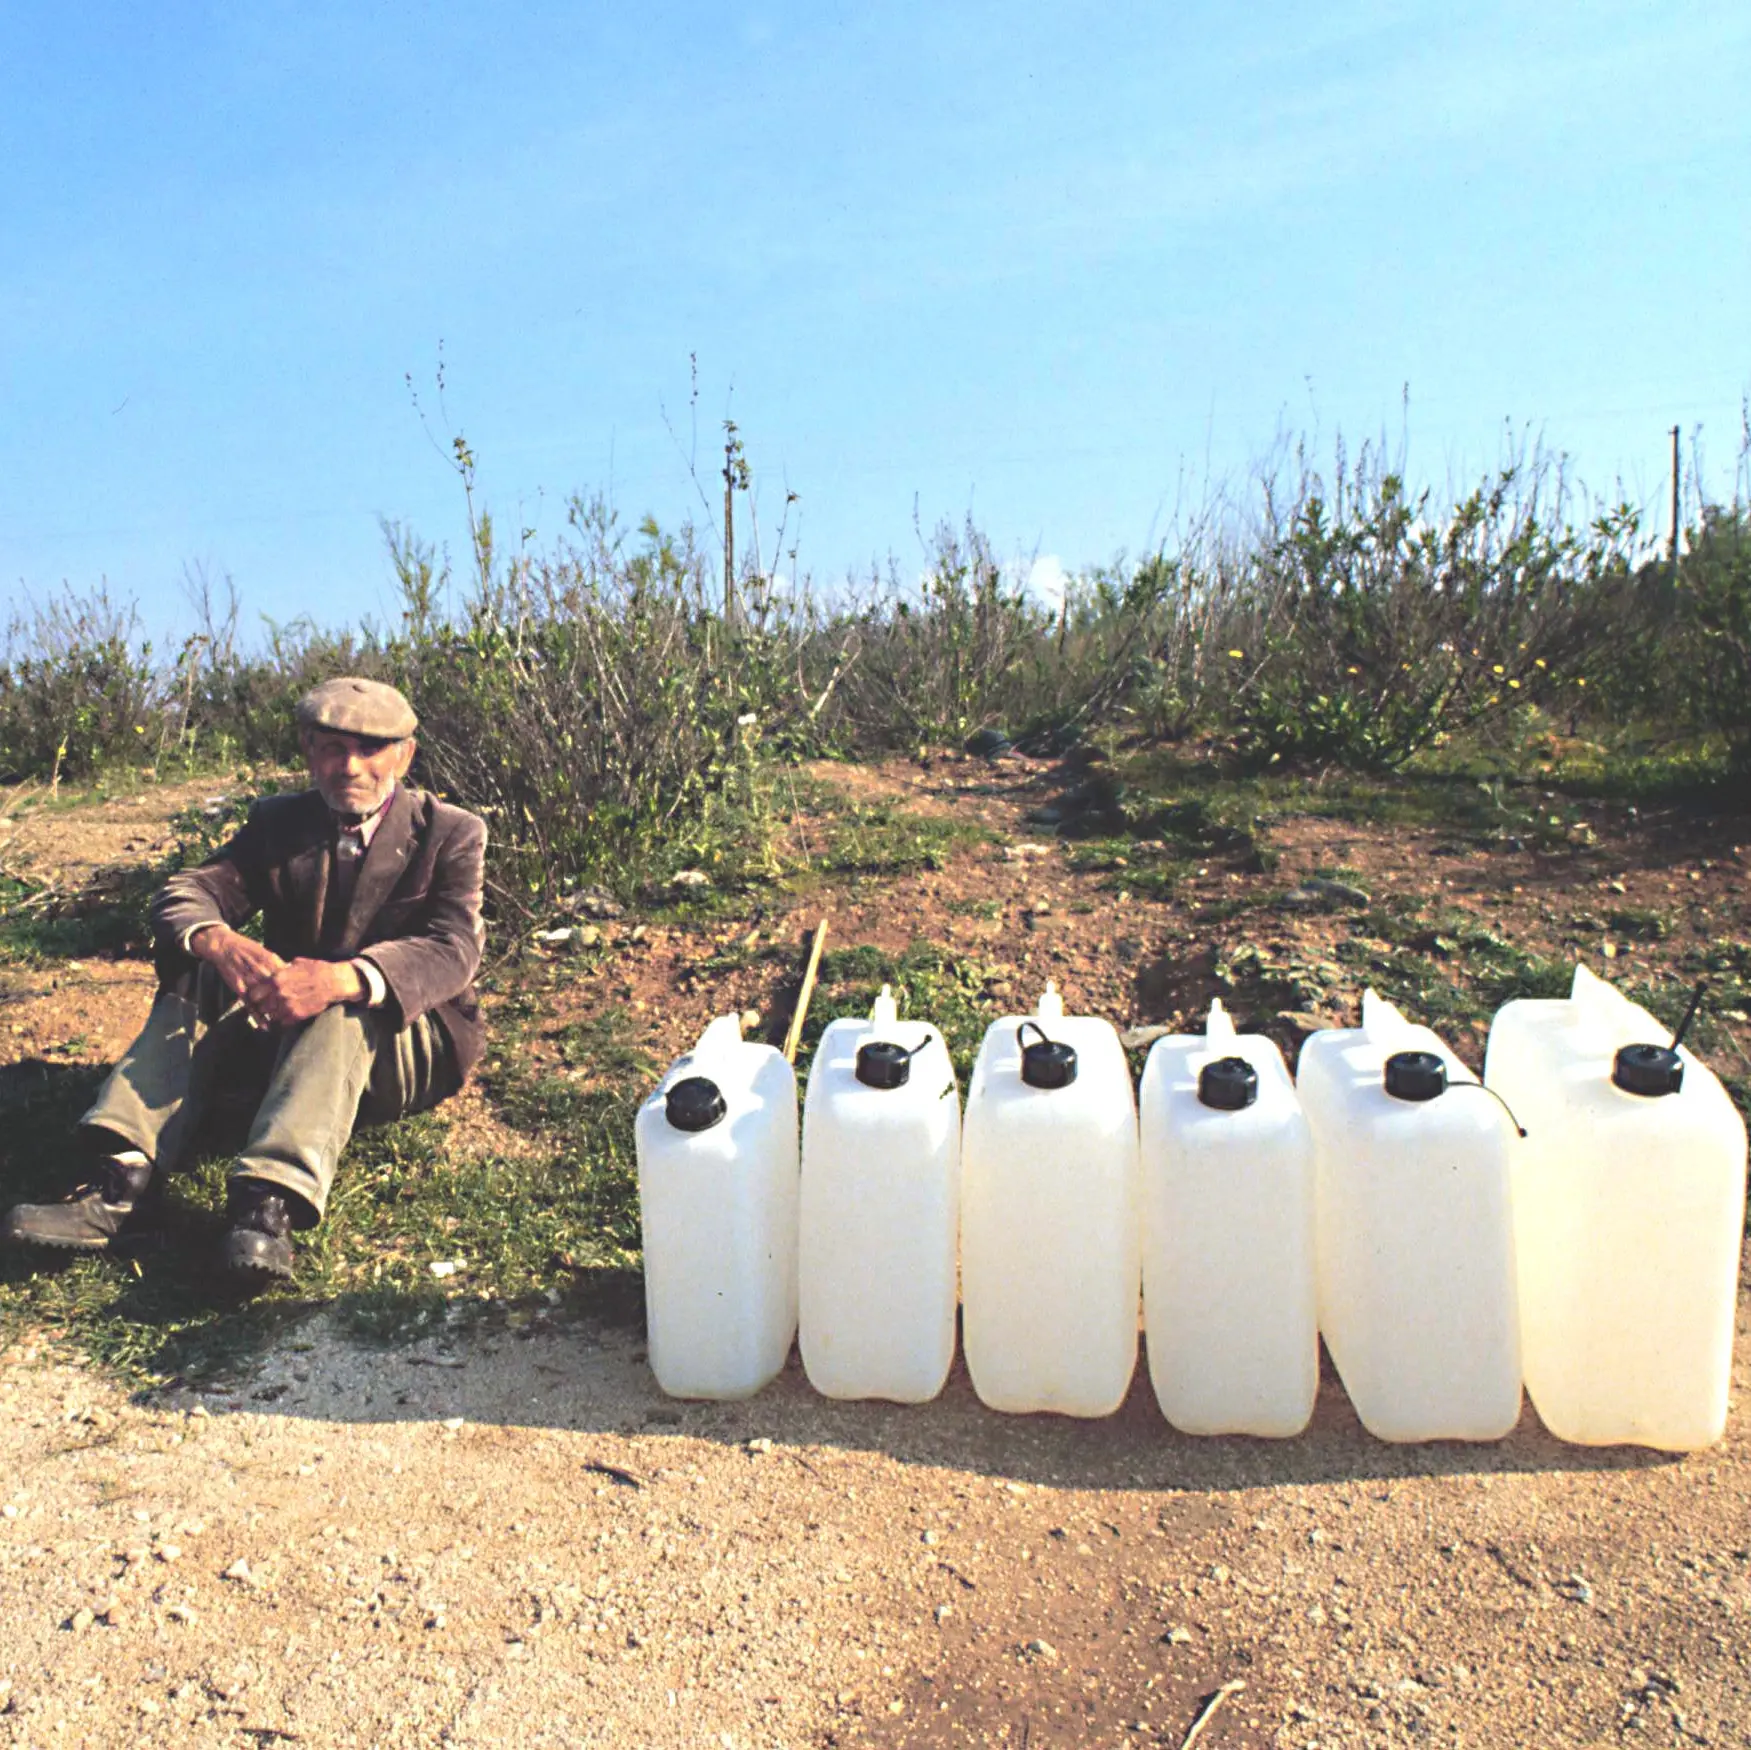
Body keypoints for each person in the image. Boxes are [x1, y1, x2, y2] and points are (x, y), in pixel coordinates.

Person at [1, 677, 487, 1284]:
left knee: (344, 1001)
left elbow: (453, 947)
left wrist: (344, 978)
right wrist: (219, 940)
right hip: (288, 1035)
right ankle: (124, 1179)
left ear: (405, 755)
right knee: (203, 965)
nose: (351, 766)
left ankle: (267, 1205)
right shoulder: (279, 821)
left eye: (371, 749)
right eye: (333, 747)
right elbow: (190, 892)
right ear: (309, 749)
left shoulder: (451, 831)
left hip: (407, 1046)